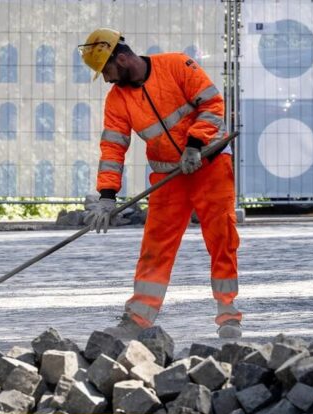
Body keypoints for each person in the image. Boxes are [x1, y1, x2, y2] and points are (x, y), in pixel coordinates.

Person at [78, 28, 243, 340]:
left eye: (107, 71)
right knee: (155, 247)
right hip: (169, 177)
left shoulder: (178, 66)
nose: (107, 79)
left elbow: (213, 106)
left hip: (211, 164)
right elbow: (113, 148)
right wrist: (107, 196)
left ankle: (228, 314)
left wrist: (194, 145)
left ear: (123, 58)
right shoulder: (117, 100)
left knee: (222, 238)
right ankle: (138, 317)